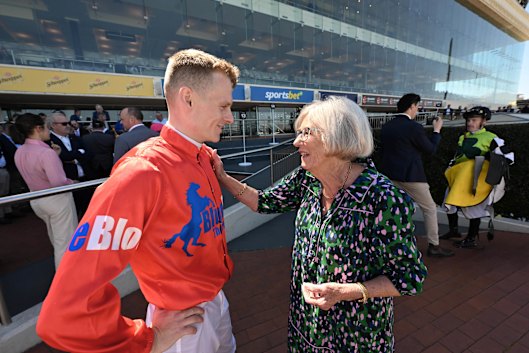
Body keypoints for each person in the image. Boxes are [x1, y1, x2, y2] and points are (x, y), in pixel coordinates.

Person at [37, 48, 240, 353]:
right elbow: (63, 315)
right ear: (187, 99)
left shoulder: (204, 156)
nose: (230, 117)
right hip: (181, 322)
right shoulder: (142, 173)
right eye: (223, 106)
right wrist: (145, 340)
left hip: (215, 301)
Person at [212, 96, 428, 352]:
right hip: (306, 329)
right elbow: (262, 201)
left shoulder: (382, 198)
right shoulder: (307, 180)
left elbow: (410, 278)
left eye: (305, 132)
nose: (295, 142)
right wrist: (222, 176)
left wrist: (344, 292)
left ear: (336, 135)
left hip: (355, 339)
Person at [379, 93, 454, 257]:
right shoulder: (414, 127)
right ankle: (434, 246)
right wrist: (436, 131)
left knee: (394, 209)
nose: (418, 110)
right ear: (412, 106)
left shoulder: (387, 126)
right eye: (417, 107)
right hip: (411, 176)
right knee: (430, 209)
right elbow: (431, 149)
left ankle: (392, 242)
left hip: (389, 176)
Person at [441, 107, 514, 248]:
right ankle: (453, 230)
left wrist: (489, 157)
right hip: (459, 177)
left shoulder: (492, 138)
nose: (470, 123)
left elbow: (509, 157)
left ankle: (471, 238)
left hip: (476, 181)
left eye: (474, 120)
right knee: (448, 201)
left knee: (475, 208)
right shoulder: (463, 137)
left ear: (484, 122)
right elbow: (459, 155)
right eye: (468, 120)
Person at [13, 113, 78, 268]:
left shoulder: (20, 151)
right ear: (37, 128)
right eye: (47, 127)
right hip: (57, 201)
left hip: (37, 200)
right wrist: (72, 181)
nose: (49, 131)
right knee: (66, 243)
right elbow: (58, 182)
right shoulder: (46, 153)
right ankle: (67, 283)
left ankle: (66, 280)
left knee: (56, 240)